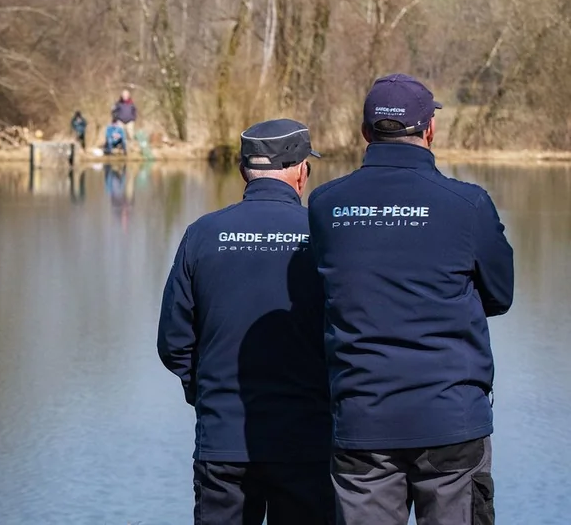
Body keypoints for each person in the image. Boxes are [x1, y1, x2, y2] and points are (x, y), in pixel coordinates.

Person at [307, 74, 515, 525]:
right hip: (451, 419)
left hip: (363, 419)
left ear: (365, 132)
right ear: (429, 130)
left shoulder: (325, 204)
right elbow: (500, 296)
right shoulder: (468, 204)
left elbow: (322, 293)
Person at [158, 119, 334, 525]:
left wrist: (204, 392)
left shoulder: (202, 234)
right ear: (301, 171)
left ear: (242, 171)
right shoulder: (324, 236)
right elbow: (348, 328)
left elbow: (173, 340)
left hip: (224, 439)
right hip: (306, 440)